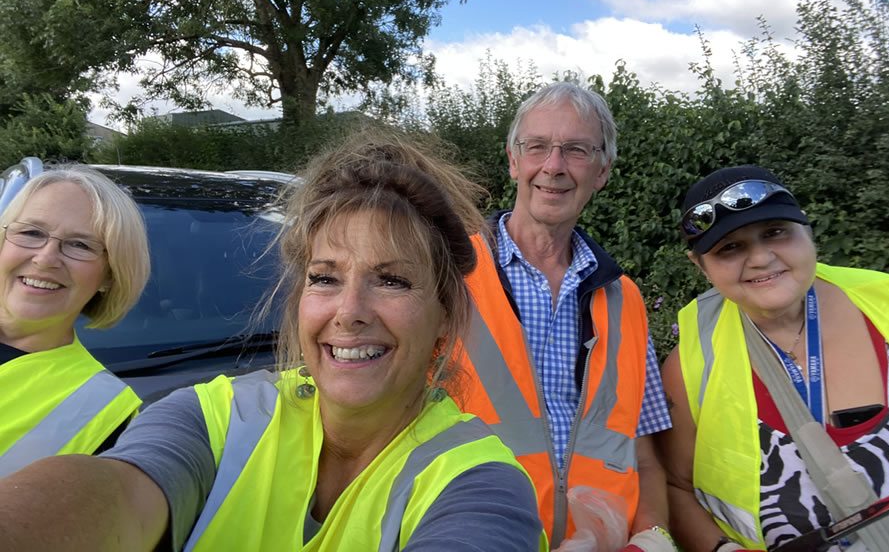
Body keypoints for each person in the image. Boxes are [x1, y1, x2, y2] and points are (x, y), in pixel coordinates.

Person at [0, 132, 548, 552]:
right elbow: (117, 491)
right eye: (325, 277)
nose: (349, 312)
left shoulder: (481, 484)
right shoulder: (213, 418)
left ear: (445, 317)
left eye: (393, 280)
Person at [456, 82, 674, 551]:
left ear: (602, 171)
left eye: (576, 150)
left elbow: (646, 458)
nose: (553, 166)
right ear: (513, 161)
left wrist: (652, 539)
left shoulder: (625, 299)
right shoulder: (448, 277)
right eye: (537, 147)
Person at [660, 165, 889, 552]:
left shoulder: (888, 303)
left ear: (807, 231)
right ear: (700, 266)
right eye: (729, 248)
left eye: (774, 232)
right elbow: (674, 486)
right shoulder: (689, 364)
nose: (760, 258)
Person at [0, 165, 150, 476]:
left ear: (111, 275)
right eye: (31, 232)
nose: (45, 258)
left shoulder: (105, 411)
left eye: (80, 245)